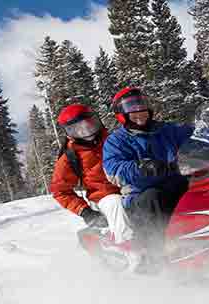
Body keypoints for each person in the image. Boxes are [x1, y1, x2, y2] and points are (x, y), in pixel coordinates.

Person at [102, 87, 196, 256]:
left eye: (142, 105)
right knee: (153, 198)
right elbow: (114, 169)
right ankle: (154, 257)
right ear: (121, 113)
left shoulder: (167, 130)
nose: (139, 111)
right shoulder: (116, 141)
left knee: (203, 185)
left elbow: (195, 136)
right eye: (131, 108)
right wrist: (142, 167)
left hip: (177, 181)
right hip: (141, 193)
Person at [50, 103, 138, 269]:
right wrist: (84, 211)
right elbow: (60, 191)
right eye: (77, 129)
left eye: (89, 125)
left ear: (97, 121)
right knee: (116, 203)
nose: (86, 132)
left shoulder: (113, 140)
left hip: (130, 187)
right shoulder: (70, 156)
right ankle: (133, 257)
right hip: (102, 197)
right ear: (69, 133)